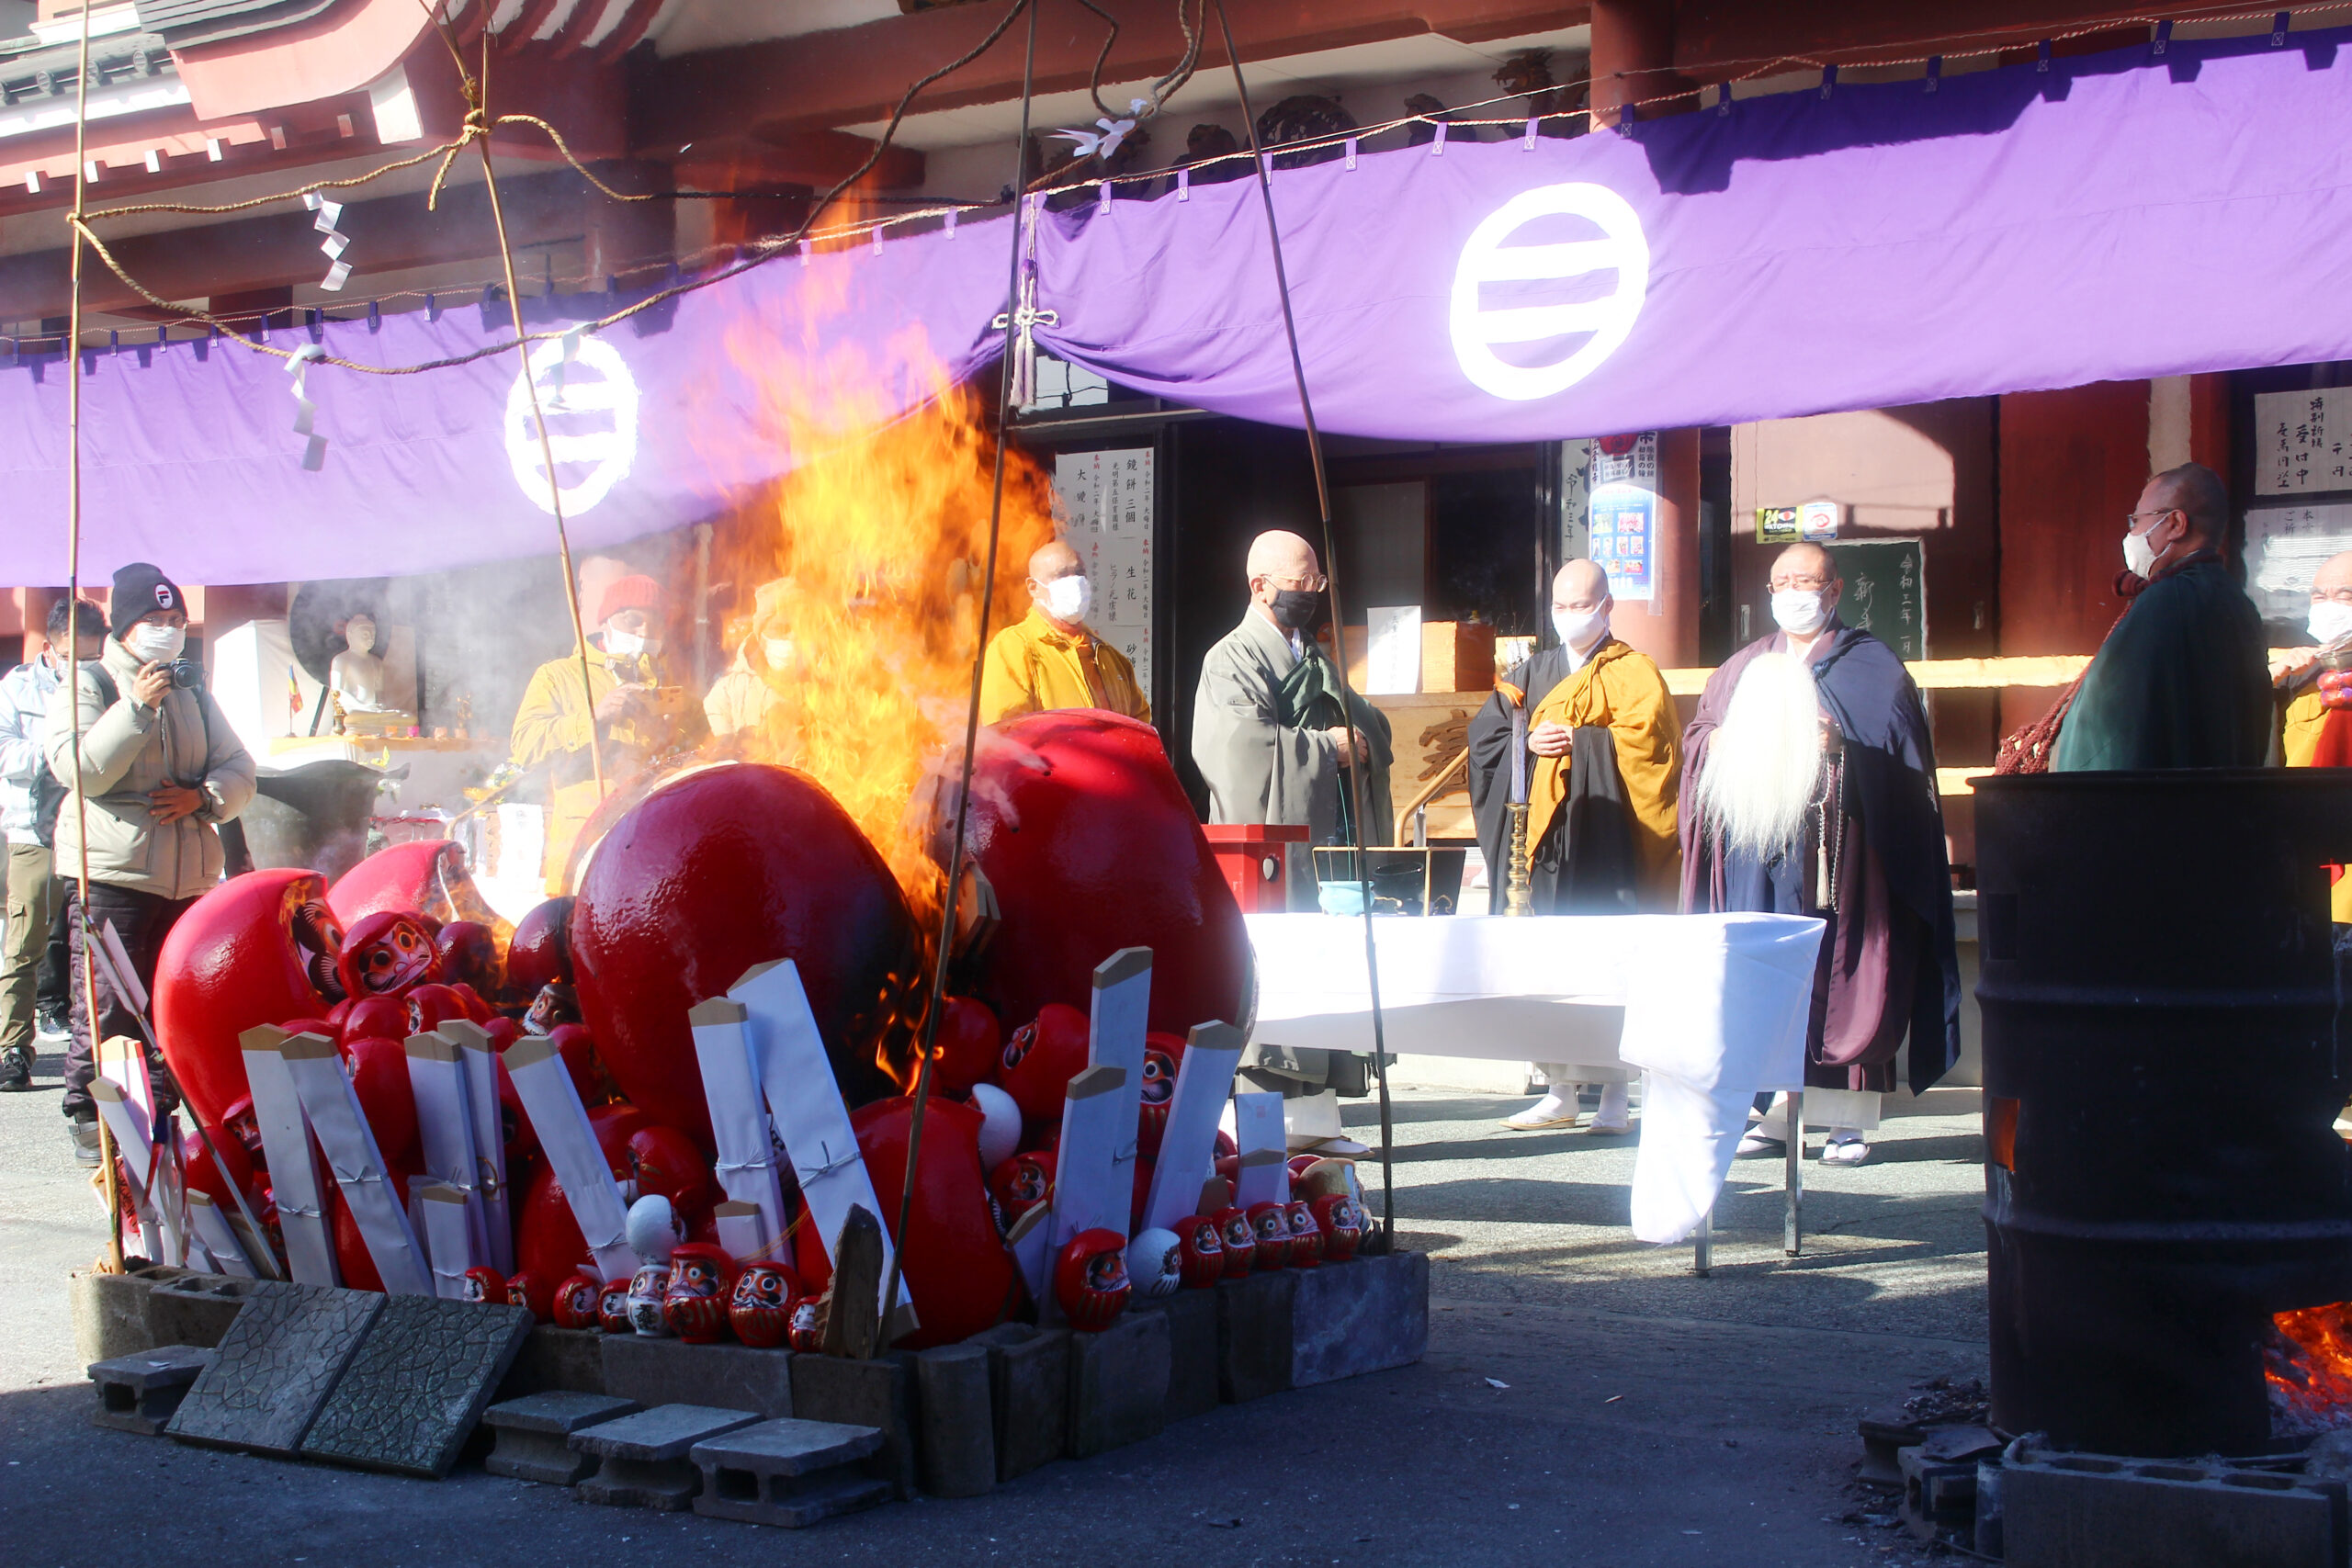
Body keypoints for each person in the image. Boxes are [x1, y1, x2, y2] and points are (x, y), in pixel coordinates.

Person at [1680, 543, 1959, 1167]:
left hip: (1841, 853)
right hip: (1760, 850)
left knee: (1841, 973)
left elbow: (1902, 759)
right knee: (1766, 972)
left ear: (1834, 591)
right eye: (1781, 582)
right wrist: (1722, 740)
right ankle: (1778, 1112)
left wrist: (1843, 751)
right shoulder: (1743, 666)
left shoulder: (1871, 665)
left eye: (1806, 581)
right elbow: (1698, 740)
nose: (1792, 593)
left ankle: (1845, 1120)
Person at [43, 564, 254, 1164]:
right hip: (115, 874)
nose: (165, 631)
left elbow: (240, 768)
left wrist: (205, 797)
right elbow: (81, 770)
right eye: (153, 621)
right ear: (126, 626)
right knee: (110, 1003)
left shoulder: (194, 690)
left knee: (172, 1005)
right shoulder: (90, 682)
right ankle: (94, 1119)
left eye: (174, 620)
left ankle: (155, 1119)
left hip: (187, 878)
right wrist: (136, 708)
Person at [1192, 529, 1394, 1152]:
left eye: (1317, 584)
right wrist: (1322, 748)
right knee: (1272, 979)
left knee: (1329, 973)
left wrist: (1359, 740)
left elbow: (1366, 724)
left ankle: (1319, 1123)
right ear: (1261, 586)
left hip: (1323, 844)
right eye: (1302, 585)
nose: (1311, 595)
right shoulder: (1230, 658)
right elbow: (1237, 751)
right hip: (1269, 856)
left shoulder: (1312, 655)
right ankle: (1259, 1130)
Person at [1466, 559, 1681, 1133]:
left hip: (1609, 841)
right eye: (1560, 606)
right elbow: (1487, 737)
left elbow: (1652, 750)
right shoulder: (1533, 671)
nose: (1569, 617)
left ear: (1608, 607)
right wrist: (1526, 740)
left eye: (1582, 606)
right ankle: (1561, 1088)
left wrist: (1586, 744)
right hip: (1547, 842)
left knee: (1609, 964)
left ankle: (1615, 1096)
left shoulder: (1636, 673)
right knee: (1552, 964)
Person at [2050, 463, 2271, 772]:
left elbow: (2107, 732)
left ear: (2176, 523)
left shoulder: (2166, 602)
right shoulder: (2235, 601)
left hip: (2158, 810)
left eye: (2137, 520)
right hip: (2224, 805)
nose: (2132, 533)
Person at [510, 572, 706, 896]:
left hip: (651, 844)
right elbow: (526, 745)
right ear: (607, 622)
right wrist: (595, 717)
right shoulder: (559, 675)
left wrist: (677, 726)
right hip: (583, 839)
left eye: (655, 625)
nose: (645, 633)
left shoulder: (670, 681)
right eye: (634, 621)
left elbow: (703, 752)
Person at [0, 598, 104, 1092]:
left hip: (94, 829)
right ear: (51, 648)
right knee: (25, 941)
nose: (81, 665)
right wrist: (56, 746)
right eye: (72, 655)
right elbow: (4, 752)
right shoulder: (16, 688)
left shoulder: (107, 684)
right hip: (34, 831)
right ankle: (13, 1047)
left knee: (98, 943)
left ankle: (99, 1049)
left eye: (90, 655)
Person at [978, 541, 1151, 726]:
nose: (1075, 582)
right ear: (1033, 587)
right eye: (1061, 575)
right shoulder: (1012, 649)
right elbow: (1008, 733)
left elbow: (1140, 729)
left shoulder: (1111, 657)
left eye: (1080, 573)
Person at [2278, 551, 2352, 921]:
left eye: (2346, 597)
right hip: (2303, 849)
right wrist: (2268, 677)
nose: (2329, 607)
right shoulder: (2297, 675)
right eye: (2319, 596)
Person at [704, 577, 803, 757]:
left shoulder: (831, 690)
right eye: (782, 629)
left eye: (802, 628)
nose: (793, 637)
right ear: (760, 634)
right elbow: (718, 760)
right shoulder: (725, 693)